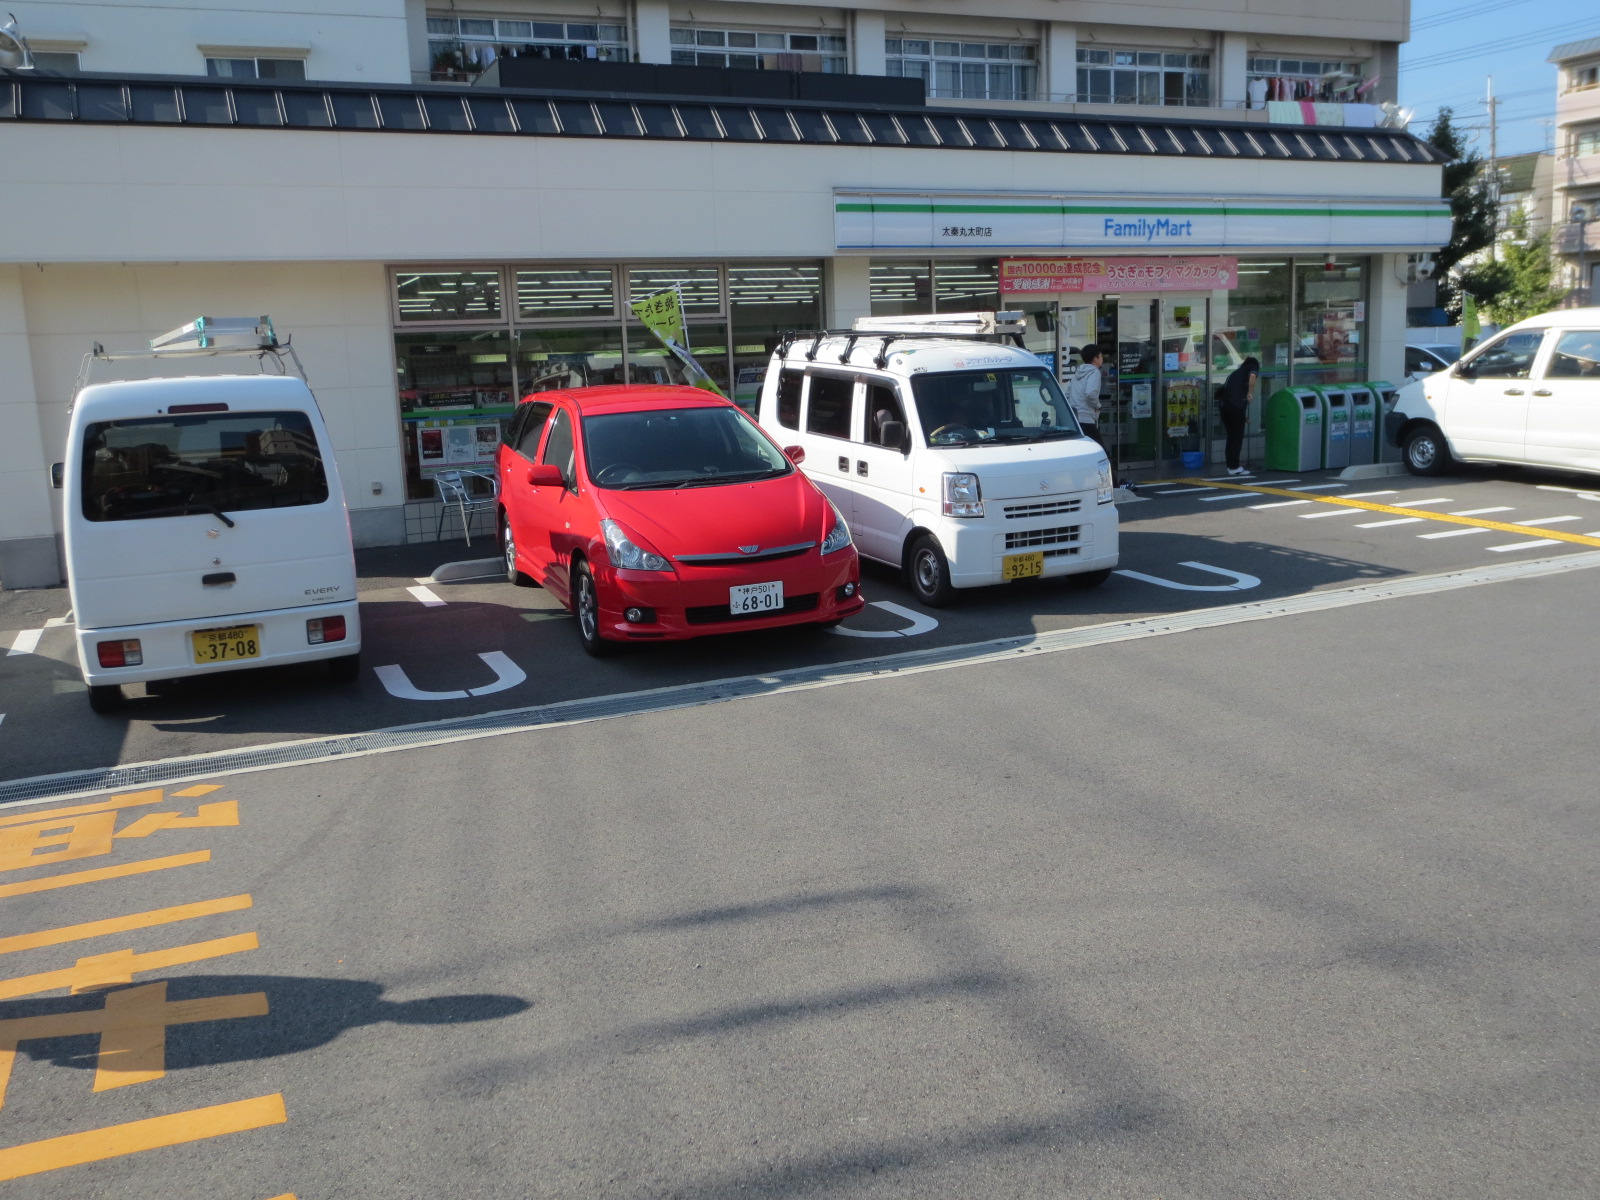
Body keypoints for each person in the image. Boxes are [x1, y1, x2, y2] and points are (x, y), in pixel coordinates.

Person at [1217, 356, 1259, 475]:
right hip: (1235, 407)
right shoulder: (1252, 367)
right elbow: (1252, 376)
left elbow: (1233, 391)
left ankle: (1230, 466)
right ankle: (1234, 467)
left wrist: (1243, 417)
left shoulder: (1236, 373)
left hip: (1224, 406)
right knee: (1237, 438)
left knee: (1231, 437)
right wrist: (1250, 393)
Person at [1067, 344, 1105, 449]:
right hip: (1086, 417)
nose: (1102, 358)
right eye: (1100, 356)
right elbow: (1091, 394)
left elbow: (1067, 393)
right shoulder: (1094, 372)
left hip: (1075, 418)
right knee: (1100, 450)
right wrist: (1098, 406)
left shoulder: (1078, 372)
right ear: (1095, 358)